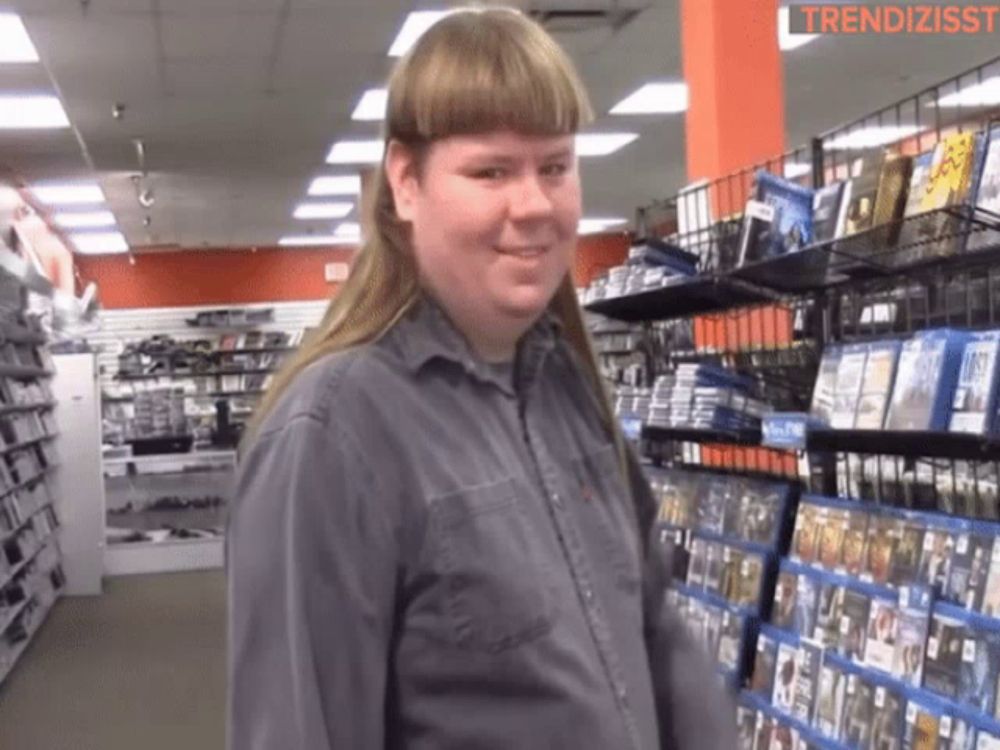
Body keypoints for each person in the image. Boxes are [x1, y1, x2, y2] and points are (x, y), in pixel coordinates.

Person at [227, 7, 736, 749]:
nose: (532, 205)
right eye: (490, 170)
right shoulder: (332, 436)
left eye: (554, 167)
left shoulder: (572, 390)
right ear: (406, 181)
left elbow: (659, 639)